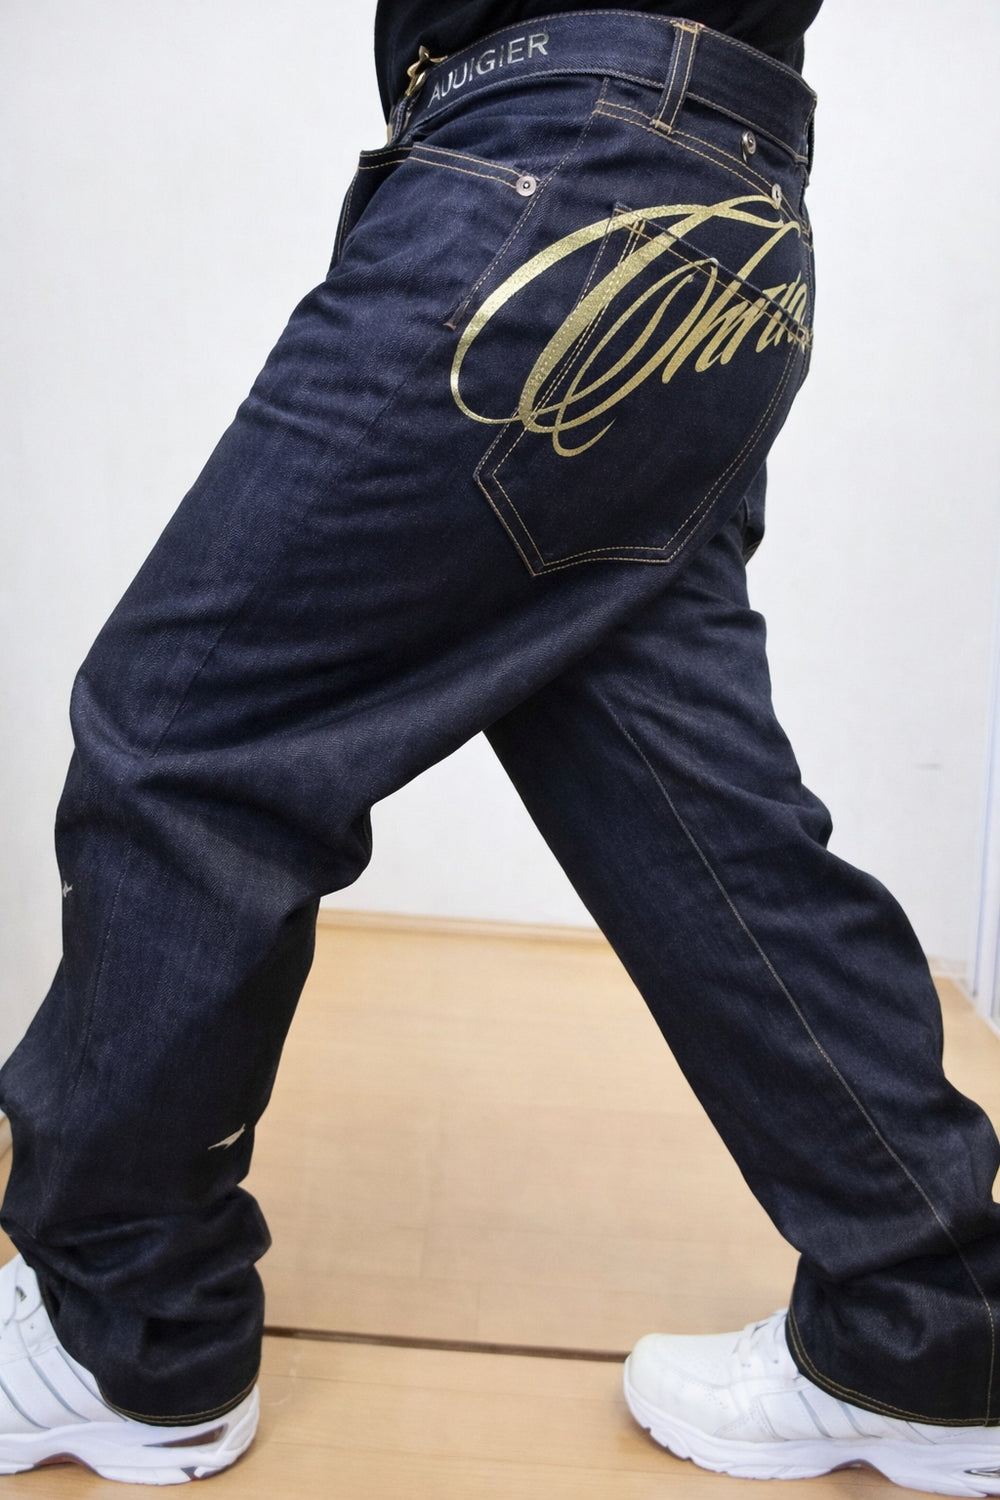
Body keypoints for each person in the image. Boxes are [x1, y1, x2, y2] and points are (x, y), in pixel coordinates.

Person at [2, 2, 1000, 1492]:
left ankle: (121, 1334)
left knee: (186, 743)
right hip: (718, 189)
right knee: (683, 808)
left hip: (562, 163)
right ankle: (940, 1322)